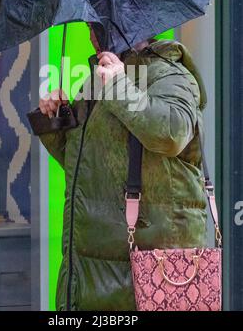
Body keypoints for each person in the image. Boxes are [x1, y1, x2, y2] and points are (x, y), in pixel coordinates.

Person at [39, 24, 208, 311]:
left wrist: (118, 86)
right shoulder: (98, 80)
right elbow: (82, 164)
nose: (91, 36)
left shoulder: (170, 74)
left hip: (151, 268)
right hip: (91, 265)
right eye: (90, 27)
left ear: (124, 26)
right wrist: (54, 120)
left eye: (98, 27)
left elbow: (171, 133)